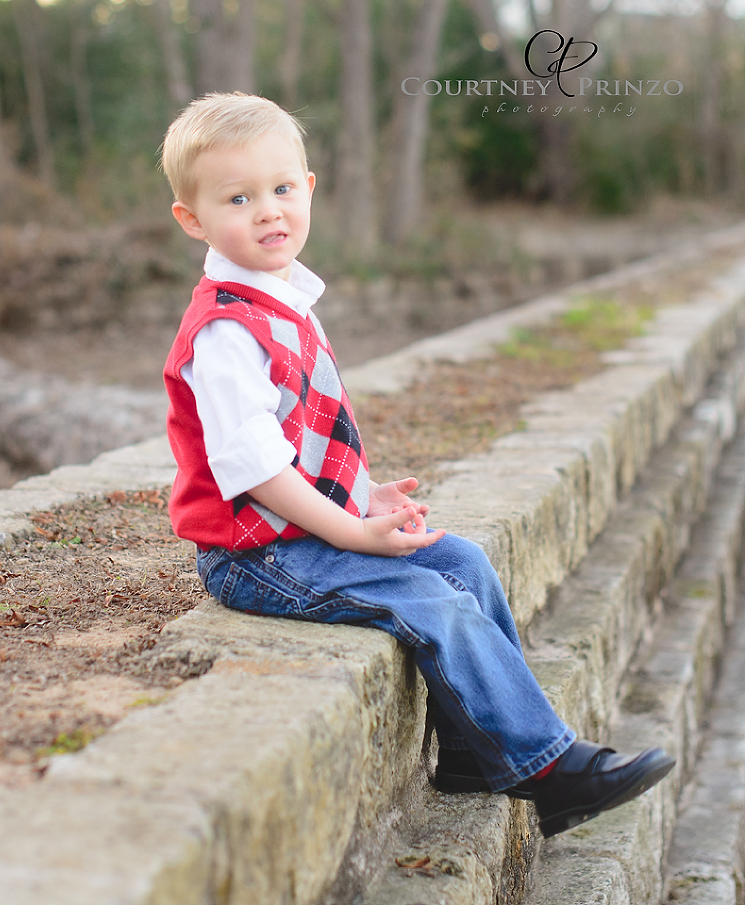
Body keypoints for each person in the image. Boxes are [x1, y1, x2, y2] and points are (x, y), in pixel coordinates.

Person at [160, 92, 675, 840]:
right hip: (255, 554)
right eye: (238, 198)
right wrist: (353, 532)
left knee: (462, 560)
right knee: (432, 601)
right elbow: (259, 472)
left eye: (279, 189)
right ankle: (546, 768)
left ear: (308, 190)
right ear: (194, 219)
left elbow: (299, 432)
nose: (267, 211)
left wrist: (361, 491)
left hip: (306, 527)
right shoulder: (225, 332)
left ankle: (472, 750)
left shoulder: (285, 299)